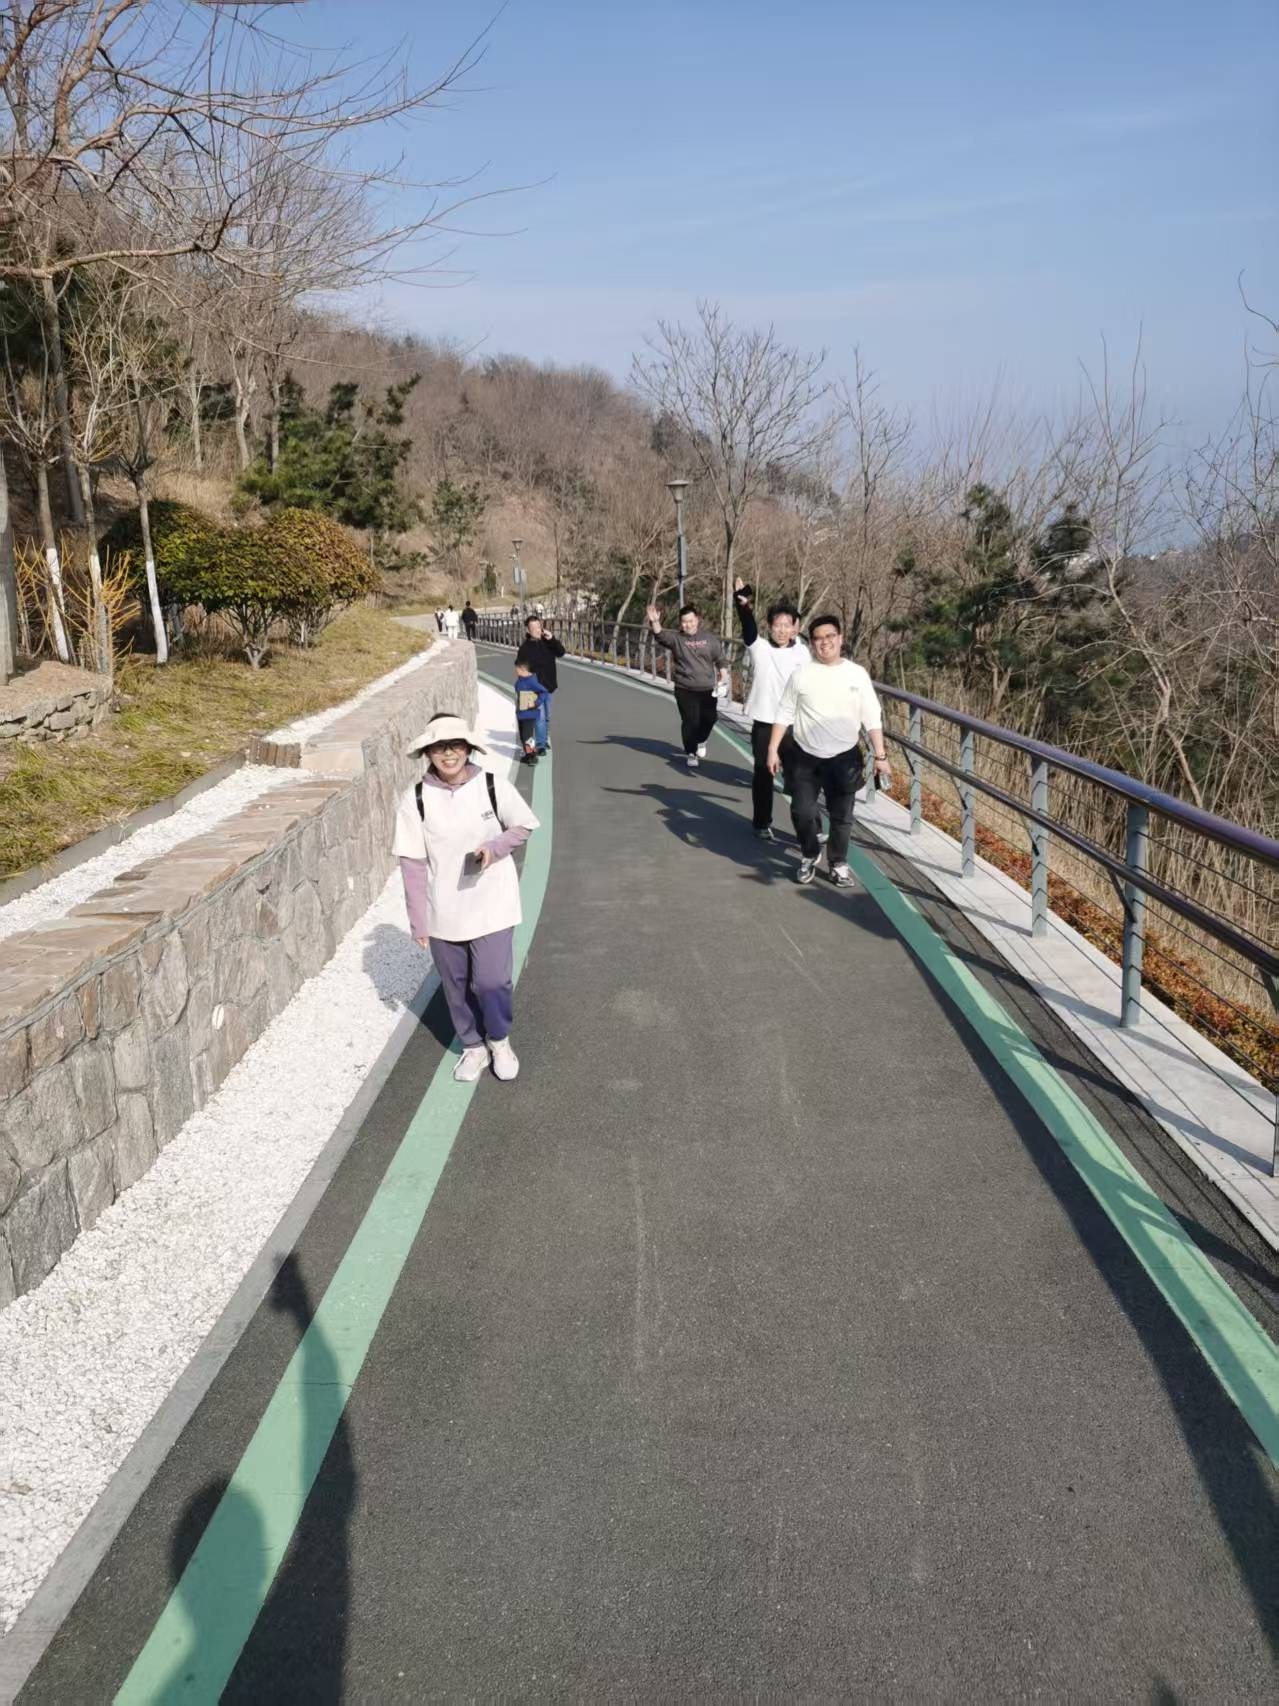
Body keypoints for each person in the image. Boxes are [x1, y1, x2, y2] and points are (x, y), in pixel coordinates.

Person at [394, 713, 540, 1081]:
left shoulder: (491, 785)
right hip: (444, 908)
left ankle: (499, 1040)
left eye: (455, 745)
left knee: (491, 981)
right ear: (428, 752)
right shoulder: (416, 798)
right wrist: (418, 920)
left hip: (493, 902)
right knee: (455, 985)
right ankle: (473, 1046)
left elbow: (523, 825)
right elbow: (412, 862)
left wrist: (494, 847)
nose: (449, 754)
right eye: (440, 747)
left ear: (468, 748)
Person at [767, 613, 890, 888]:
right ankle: (810, 853)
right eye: (818, 639)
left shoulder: (856, 674)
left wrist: (881, 756)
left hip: (844, 757)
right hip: (804, 756)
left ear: (840, 639)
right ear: (811, 643)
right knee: (801, 811)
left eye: (830, 636)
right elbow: (784, 712)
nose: (824, 643)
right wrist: (773, 749)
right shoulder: (801, 674)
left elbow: (872, 717)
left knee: (841, 817)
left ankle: (838, 863)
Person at [732, 576, 808, 840]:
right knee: (763, 774)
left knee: (801, 778)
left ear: (795, 628)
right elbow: (748, 628)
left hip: (794, 724)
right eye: (778, 625)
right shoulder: (760, 648)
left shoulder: (803, 653)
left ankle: (811, 827)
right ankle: (762, 822)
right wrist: (743, 605)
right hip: (765, 722)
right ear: (770, 627)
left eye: (787, 625)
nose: (782, 630)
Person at [645, 601, 730, 770]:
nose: (688, 625)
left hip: (707, 689)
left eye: (690, 621)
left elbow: (720, 660)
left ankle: (701, 740)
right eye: (684, 622)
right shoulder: (677, 639)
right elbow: (660, 635)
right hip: (685, 689)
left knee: (710, 718)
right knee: (690, 721)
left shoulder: (709, 639)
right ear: (680, 623)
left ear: (697, 620)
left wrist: (724, 678)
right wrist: (655, 622)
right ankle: (691, 752)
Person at [515, 615, 566, 748]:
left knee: (547, 715)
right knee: (540, 717)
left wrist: (552, 639)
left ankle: (544, 737)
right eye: (534, 628)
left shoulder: (547, 642)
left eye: (539, 626)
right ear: (528, 630)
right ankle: (540, 745)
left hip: (549, 685)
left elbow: (561, 652)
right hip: (535, 688)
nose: (538, 630)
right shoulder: (525, 648)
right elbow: (520, 668)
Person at [513, 662, 551, 764]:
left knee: (528, 736)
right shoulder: (520, 680)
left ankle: (532, 756)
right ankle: (527, 754)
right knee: (523, 735)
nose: (515, 670)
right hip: (521, 713)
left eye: (517, 668)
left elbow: (544, 691)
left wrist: (536, 703)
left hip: (529, 714)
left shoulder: (532, 681)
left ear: (523, 669)